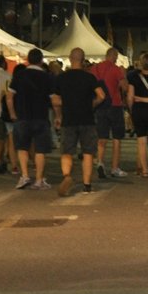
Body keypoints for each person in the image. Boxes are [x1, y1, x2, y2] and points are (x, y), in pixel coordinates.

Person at [51, 47, 104, 195]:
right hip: (87, 119)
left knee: (67, 152)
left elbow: (55, 100)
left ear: (70, 58)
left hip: (69, 119)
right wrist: (91, 104)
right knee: (88, 153)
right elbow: (101, 95)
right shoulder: (90, 77)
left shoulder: (61, 78)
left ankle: (67, 176)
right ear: (83, 59)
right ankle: (87, 185)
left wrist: (59, 114)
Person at [8, 49, 55, 190]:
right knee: (40, 149)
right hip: (41, 117)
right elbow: (54, 99)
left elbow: (9, 97)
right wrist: (58, 115)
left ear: (28, 60)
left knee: (22, 147)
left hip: (22, 116)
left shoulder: (19, 75)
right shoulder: (47, 77)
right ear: (41, 61)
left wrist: (12, 113)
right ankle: (39, 180)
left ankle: (25, 175)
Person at [91, 46, 127, 179]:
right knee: (117, 138)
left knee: (102, 137)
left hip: (101, 106)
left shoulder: (95, 68)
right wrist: (123, 75)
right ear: (115, 56)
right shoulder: (117, 69)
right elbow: (125, 87)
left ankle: (100, 162)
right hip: (115, 105)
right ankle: (115, 167)